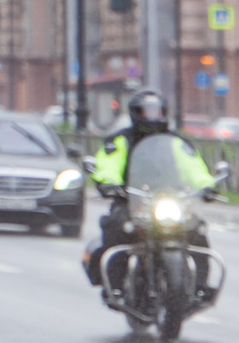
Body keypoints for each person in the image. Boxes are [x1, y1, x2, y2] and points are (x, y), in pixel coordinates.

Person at [83, 90, 213, 284]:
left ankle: (200, 286)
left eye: (156, 111)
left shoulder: (176, 143)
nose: (152, 116)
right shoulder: (120, 140)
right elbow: (108, 165)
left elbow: (193, 167)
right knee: (117, 227)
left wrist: (207, 185)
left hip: (171, 200)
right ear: (135, 113)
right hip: (131, 201)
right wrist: (108, 183)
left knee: (197, 232)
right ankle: (116, 284)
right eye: (146, 112)